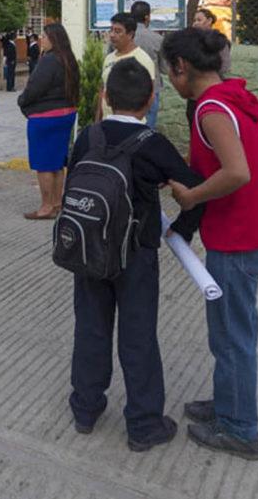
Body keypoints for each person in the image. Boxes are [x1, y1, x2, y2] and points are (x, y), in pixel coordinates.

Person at [67, 59, 202, 452]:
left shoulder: (87, 137)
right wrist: (182, 230)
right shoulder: (153, 145)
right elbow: (195, 191)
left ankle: (85, 409)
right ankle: (143, 424)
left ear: (105, 97)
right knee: (138, 335)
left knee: (90, 327)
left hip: (88, 247)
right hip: (136, 254)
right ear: (151, 99)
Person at [163, 27, 258, 461]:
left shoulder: (210, 109)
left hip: (238, 239)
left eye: (169, 74)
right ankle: (228, 404)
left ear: (182, 67)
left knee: (232, 337)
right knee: (229, 333)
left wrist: (190, 196)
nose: (170, 84)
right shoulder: (230, 96)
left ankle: (240, 429)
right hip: (252, 231)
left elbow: (236, 173)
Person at [17, 22, 79, 219]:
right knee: (57, 162)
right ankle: (57, 203)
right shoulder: (68, 59)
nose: (41, 39)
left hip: (45, 118)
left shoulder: (49, 61)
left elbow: (34, 89)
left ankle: (46, 206)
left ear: (53, 39)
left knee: (43, 163)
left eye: (44, 36)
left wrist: (22, 101)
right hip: (66, 115)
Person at [98, 12, 157, 121]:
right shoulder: (108, 58)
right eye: (111, 30)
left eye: (118, 31)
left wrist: (136, 120)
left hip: (132, 125)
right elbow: (103, 89)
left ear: (130, 34)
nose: (112, 35)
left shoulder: (142, 59)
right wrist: (98, 120)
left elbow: (150, 95)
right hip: (108, 122)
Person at [129, 1, 166, 128]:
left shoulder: (121, 36)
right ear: (147, 17)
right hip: (150, 89)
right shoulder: (157, 39)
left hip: (124, 87)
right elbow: (165, 68)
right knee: (147, 128)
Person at [192, 7, 231, 72]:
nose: (195, 23)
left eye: (199, 20)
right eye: (194, 21)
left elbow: (225, 66)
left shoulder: (219, 40)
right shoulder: (191, 38)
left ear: (209, 21)